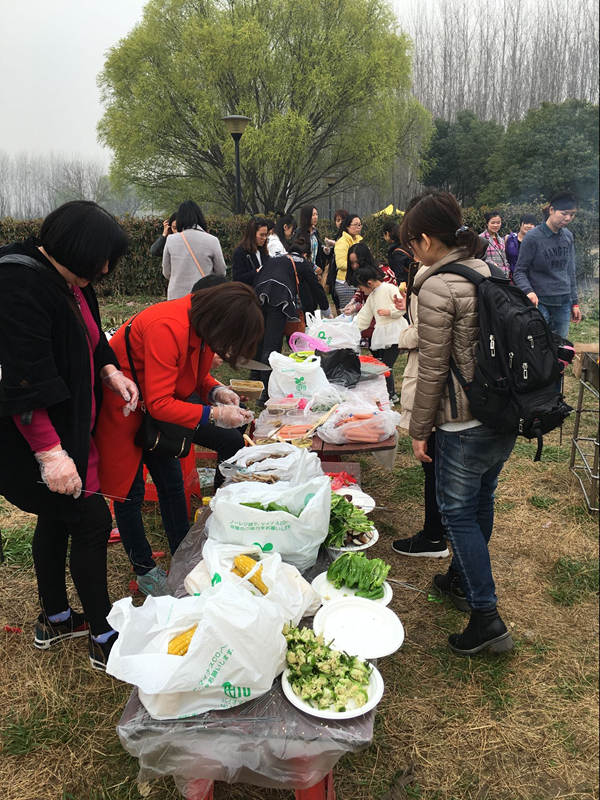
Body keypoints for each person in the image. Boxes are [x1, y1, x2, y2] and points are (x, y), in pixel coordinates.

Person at [0, 200, 138, 671]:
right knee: (92, 522)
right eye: (100, 260)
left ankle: (57, 618)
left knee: (56, 517)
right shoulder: (19, 285)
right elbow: (24, 383)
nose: (104, 270)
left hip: (71, 427)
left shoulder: (72, 280)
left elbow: (93, 337)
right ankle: (103, 637)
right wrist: (51, 455)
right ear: (74, 249)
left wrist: (109, 371)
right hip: (34, 437)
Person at [94, 284, 262, 601]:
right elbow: (160, 403)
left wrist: (215, 391)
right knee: (129, 492)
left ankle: (185, 555)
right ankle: (144, 569)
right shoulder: (167, 326)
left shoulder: (201, 325)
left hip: (154, 410)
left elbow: (193, 374)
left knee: (171, 482)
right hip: (124, 406)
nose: (224, 350)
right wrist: (214, 415)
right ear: (221, 322)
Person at [402, 191, 516, 656]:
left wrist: (418, 431)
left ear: (426, 240)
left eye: (412, 245)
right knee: (481, 500)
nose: (414, 254)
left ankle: (486, 616)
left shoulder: (437, 286)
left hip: (462, 421)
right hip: (502, 413)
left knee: (456, 514)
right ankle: (460, 580)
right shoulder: (488, 270)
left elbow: (433, 369)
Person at [391, 272, 449, 559]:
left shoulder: (432, 279)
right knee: (448, 469)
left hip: (437, 387)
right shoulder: (474, 274)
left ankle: (434, 536)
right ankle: (447, 529)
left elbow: (425, 333)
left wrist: (404, 333)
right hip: (466, 394)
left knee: (433, 465)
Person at [251, 236, 330, 395]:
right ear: (305, 254)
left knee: (260, 339)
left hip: (257, 295)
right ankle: (266, 390)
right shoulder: (303, 262)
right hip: (279, 297)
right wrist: (326, 309)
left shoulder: (275, 259)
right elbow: (316, 286)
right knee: (272, 343)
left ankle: (255, 378)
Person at [513, 192, 581, 338]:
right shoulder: (532, 237)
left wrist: (575, 303)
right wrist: (528, 291)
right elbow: (519, 271)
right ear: (551, 210)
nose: (568, 218)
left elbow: (570, 271)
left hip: (563, 303)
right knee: (539, 345)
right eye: (564, 213)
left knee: (560, 345)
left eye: (572, 214)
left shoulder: (568, 236)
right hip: (540, 302)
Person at [353, 265, 405, 402]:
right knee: (383, 365)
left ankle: (391, 395)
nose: (361, 290)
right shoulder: (372, 296)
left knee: (386, 366)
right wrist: (352, 327)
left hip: (395, 332)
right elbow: (364, 316)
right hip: (382, 334)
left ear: (369, 283)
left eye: (361, 287)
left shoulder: (390, 288)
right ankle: (389, 393)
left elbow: (402, 307)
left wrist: (390, 312)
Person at [162, 200, 227, 300]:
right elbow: (221, 272)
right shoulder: (212, 240)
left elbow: (166, 272)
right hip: (203, 296)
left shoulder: (171, 240)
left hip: (176, 296)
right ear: (199, 217)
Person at [341, 242, 397, 347]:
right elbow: (361, 290)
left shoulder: (384, 274)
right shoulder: (362, 275)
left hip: (387, 324)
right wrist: (353, 301)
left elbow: (382, 303)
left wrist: (357, 307)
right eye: (352, 263)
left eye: (357, 262)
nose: (354, 266)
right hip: (371, 324)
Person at [333, 214, 363, 309]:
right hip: (345, 283)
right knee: (348, 312)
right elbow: (340, 264)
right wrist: (359, 265)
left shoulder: (360, 240)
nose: (358, 227)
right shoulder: (342, 242)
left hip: (358, 281)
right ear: (347, 226)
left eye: (360, 224)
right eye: (355, 224)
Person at [231, 217, 270, 285]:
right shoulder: (240, 252)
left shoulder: (263, 251)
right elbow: (237, 278)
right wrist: (256, 272)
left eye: (266, 235)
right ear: (252, 234)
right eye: (261, 235)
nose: (264, 238)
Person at [326, 208, 349, 311]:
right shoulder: (337, 235)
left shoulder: (349, 236)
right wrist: (328, 250)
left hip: (345, 277)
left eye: (342, 220)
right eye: (338, 220)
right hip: (334, 272)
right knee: (336, 299)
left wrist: (335, 244)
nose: (340, 223)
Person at [297, 205, 329, 278]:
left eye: (316, 214)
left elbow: (318, 248)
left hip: (315, 273)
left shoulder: (315, 232)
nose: (315, 217)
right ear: (306, 217)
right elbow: (300, 255)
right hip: (304, 273)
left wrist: (325, 249)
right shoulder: (300, 233)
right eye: (313, 215)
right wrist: (314, 267)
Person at [382, 220, 413, 285]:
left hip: (407, 286)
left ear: (387, 233)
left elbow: (399, 274)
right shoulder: (406, 245)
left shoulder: (396, 252)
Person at [480, 211, 509, 277]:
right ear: (487, 223)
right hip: (490, 275)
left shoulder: (501, 240)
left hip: (504, 276)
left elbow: (504, 258)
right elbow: (479, 258)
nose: (495, 225)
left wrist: (507, 269)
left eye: (498, 223)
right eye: (492, 223)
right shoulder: (481, 238)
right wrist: (492, 264)